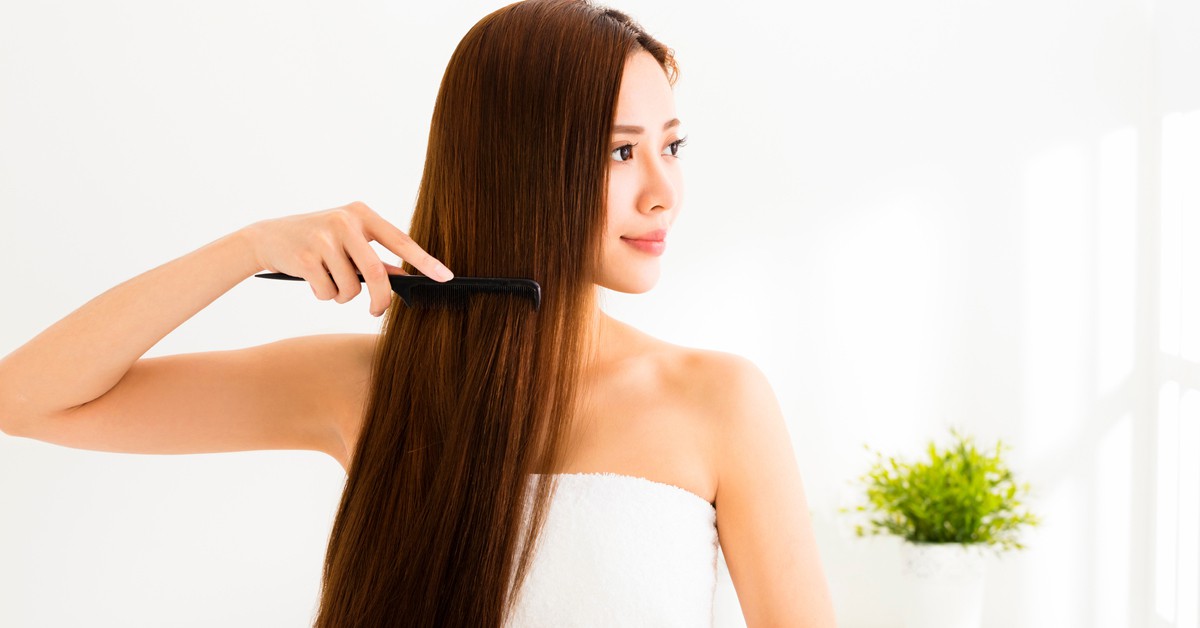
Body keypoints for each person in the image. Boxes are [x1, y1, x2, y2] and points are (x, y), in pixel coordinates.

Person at [0, 0, 837, 626]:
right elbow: (27, 398)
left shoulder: (718, 401)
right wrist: (249, 247)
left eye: (671, 146)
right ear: (515, 168)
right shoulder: (367, 387)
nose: (664, 192)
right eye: (620, 151)